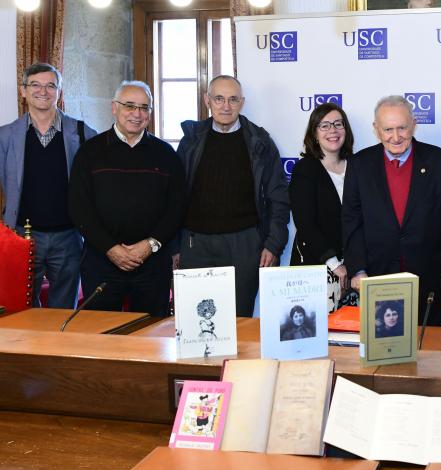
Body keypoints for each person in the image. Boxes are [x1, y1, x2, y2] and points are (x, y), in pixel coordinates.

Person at [342, 95, 441, 325]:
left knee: (428, 352)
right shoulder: (360, 165)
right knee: (383, 351)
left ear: (414, 125)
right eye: (388, 129)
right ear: (376, 130)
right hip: (377, 278)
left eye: (402, 128)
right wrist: (358, 269)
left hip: (428, 279)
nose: (396, 137)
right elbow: (352, 221)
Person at [68, 81, 185, 317]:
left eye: (144, 107)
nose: (137, 114)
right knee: (100, 336)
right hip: (102, 262)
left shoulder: (166, 154)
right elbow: (79, 207)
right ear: (114, 108)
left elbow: (177, 208)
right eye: (129, 106)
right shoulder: (90, 151)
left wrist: (149, 245)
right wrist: (111, 249)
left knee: (151, 339)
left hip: (152, 264)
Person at [177, 75, 290, 317]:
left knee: (239, 320)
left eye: (232, 99)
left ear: (242, 102)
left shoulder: (260, 142)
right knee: (196, 322)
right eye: (219, 99)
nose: (226, 106)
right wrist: (173, 246)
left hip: (244, 245)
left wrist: (273, 243)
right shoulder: (191, 140)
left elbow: (278, 197)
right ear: (207, 100)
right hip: (195, 244)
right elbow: (174, 196)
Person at [0, 62, 97, 308]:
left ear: (59, 92)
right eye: (35, 85)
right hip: (22, 235)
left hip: (68, 236)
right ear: (23, 91)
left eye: (50, 85)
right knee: (20, 311)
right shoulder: (5, 136)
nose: (43, 91)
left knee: (64, 310)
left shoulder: (83, 133)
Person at [289, 103, 355, 307]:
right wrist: (334, 264)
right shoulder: (305, 170)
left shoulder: (358, 166)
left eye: (338, 124)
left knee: (352, 334)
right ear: (314, 133)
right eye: (324, 125)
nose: (332, 130)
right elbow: (305, 223)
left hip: (355, 270)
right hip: (317, 268)